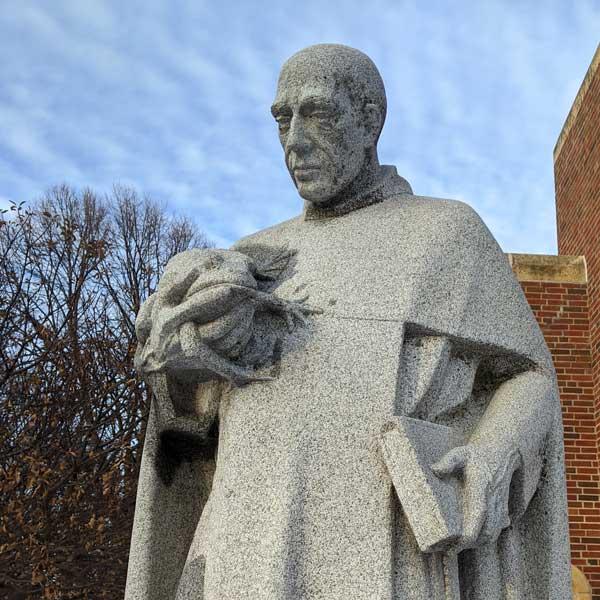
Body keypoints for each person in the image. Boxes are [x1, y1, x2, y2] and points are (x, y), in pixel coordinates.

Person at [125, 44, 570, 599]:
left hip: (389, 544)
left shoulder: (445, 235)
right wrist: (184, 356)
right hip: (245, 545)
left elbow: (529, 376)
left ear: (370, 119)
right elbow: (189, 425)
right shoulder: (253, 258)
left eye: (318, 113)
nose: (294, 142)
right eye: (282, 121)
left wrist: (491, 452)